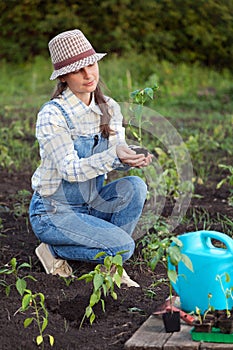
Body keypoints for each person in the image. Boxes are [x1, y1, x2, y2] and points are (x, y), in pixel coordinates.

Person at [29, 29, 153, 287]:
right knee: (123, 246)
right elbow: (71, 171)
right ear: (63, 77)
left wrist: (129, 156)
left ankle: (110, 257)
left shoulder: (109, 107)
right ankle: (54, 250)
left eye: (91, 64)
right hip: (54, 212)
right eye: (77, 70)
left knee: (135, 187)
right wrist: (113, 155)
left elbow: (117, 150)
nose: (88, 74)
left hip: (91, 205)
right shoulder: (53, 115)